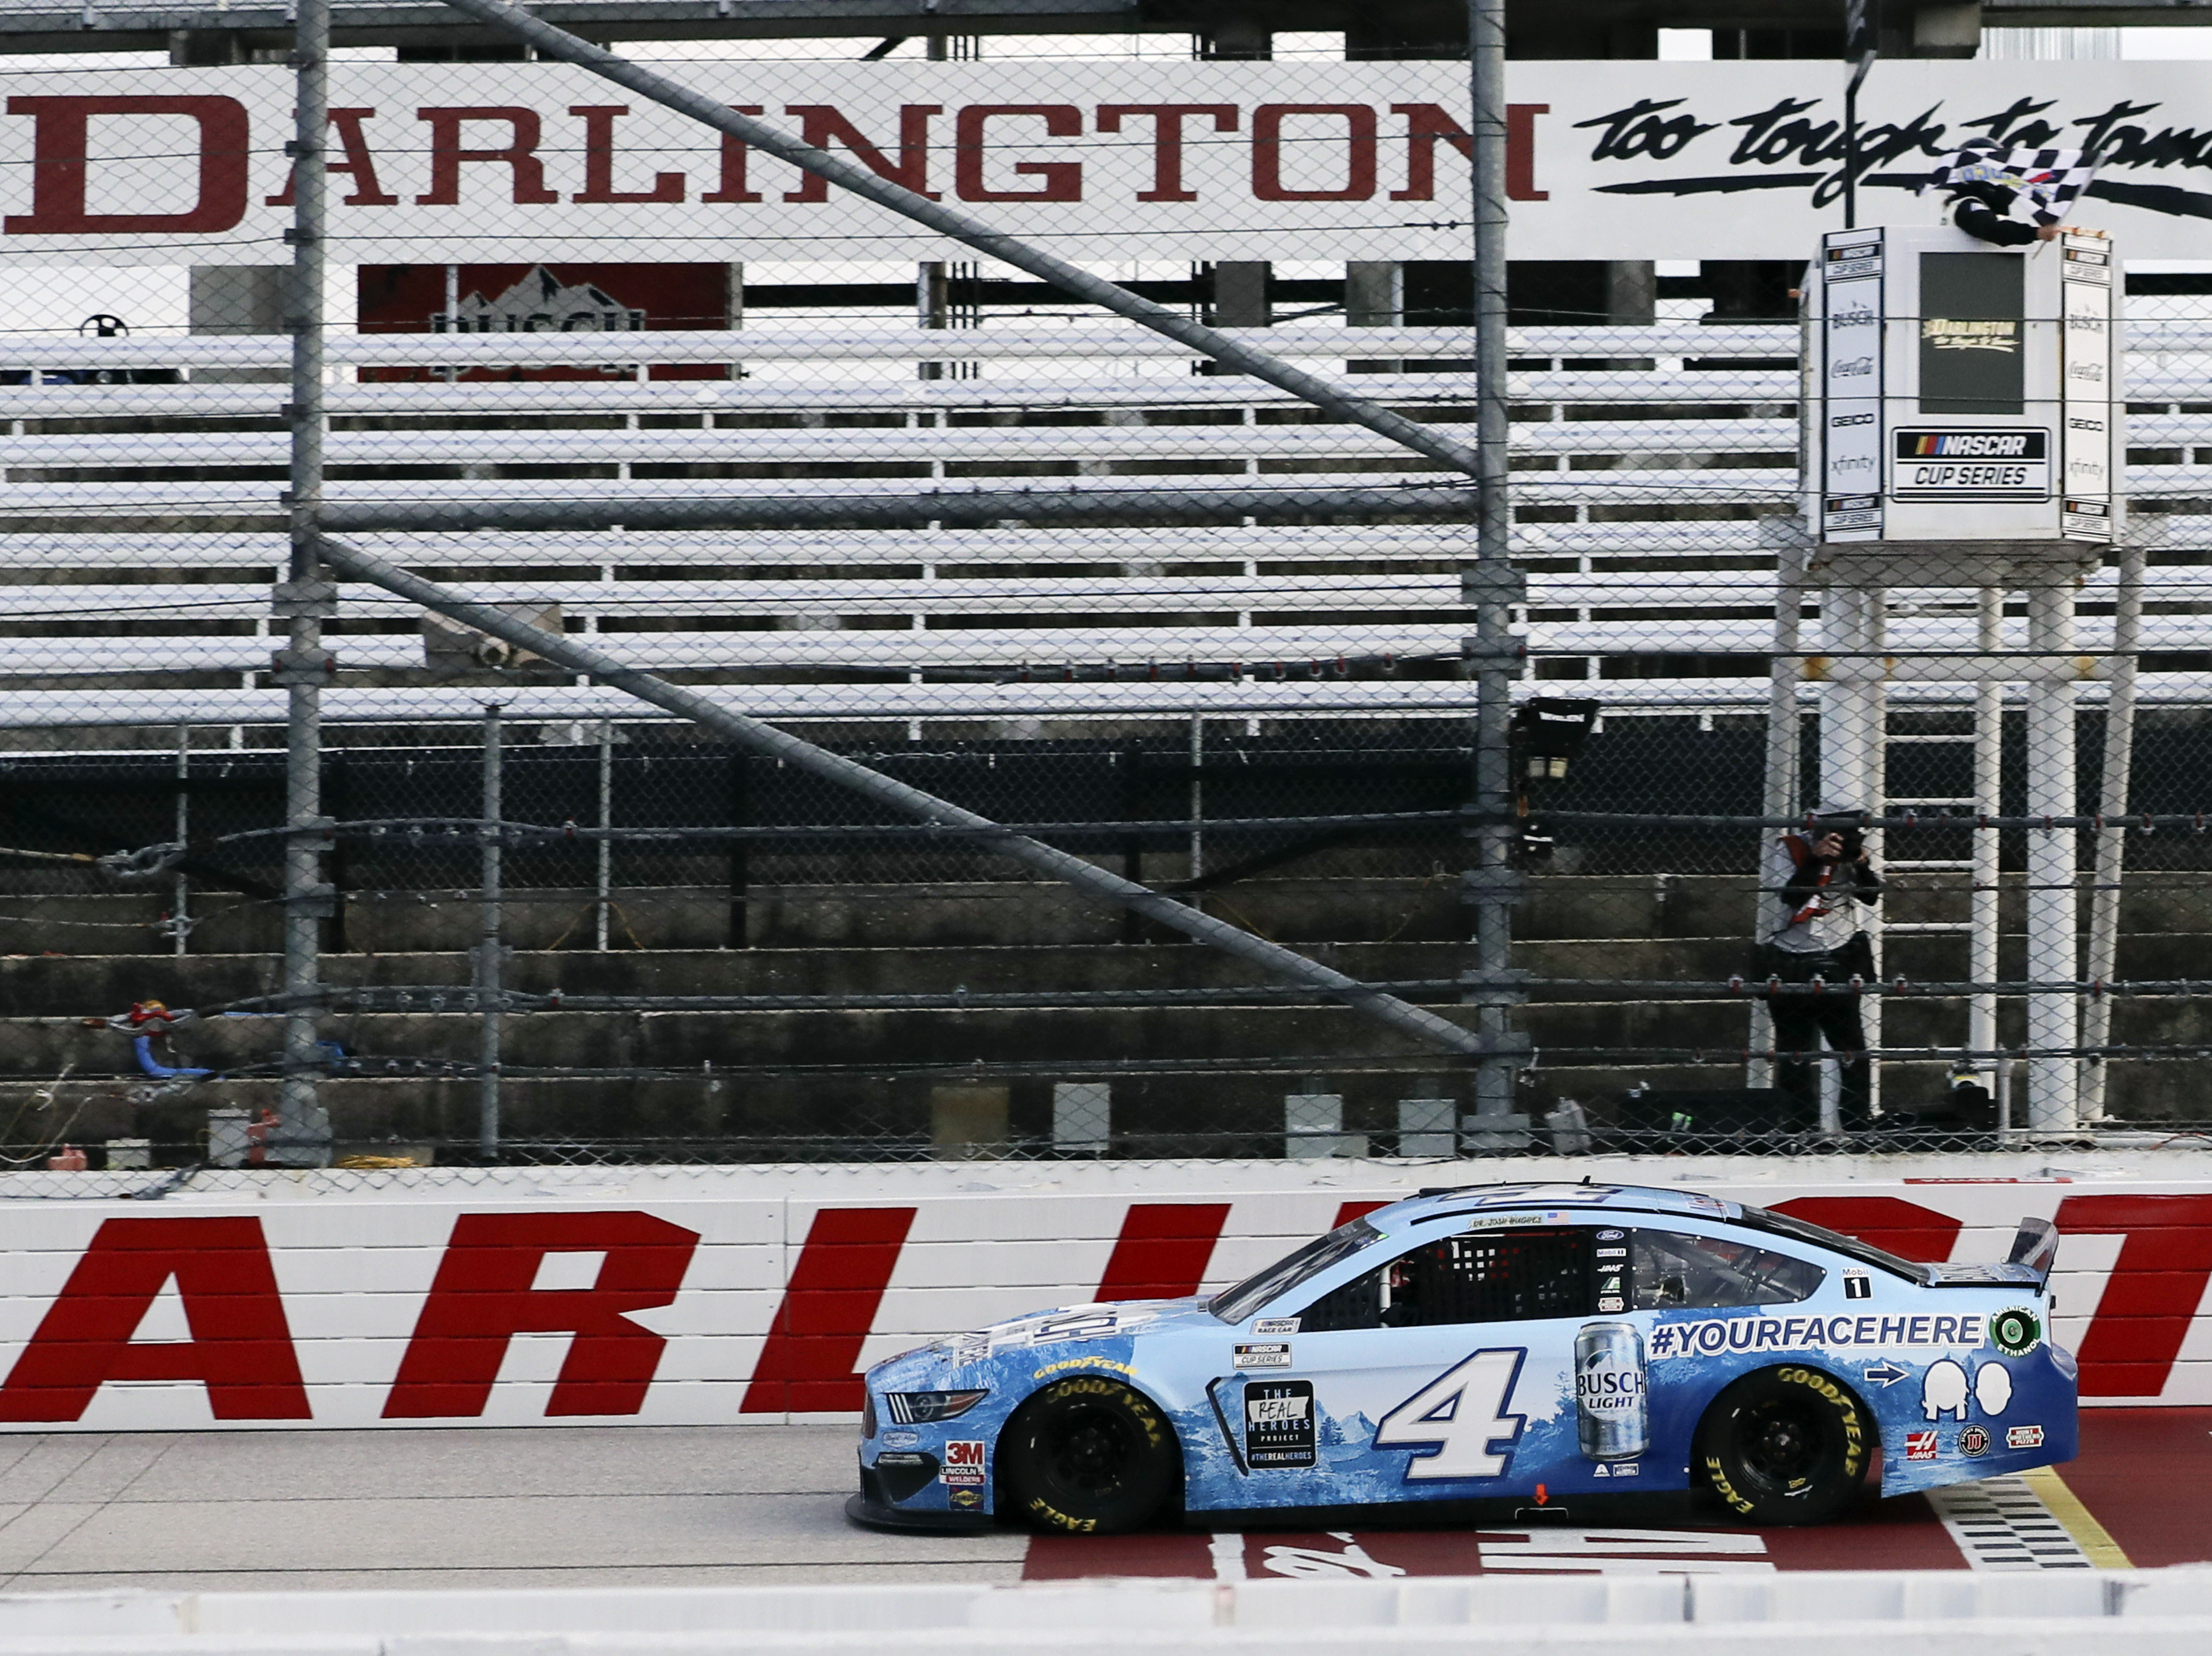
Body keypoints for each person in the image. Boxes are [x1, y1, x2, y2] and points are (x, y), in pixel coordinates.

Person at [1759, 801, 1882, 1130]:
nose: (1843, 839)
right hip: (1791, 953)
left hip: (1838, 952)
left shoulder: (1852, 854)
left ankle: (1856, 1122)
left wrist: (1861, 864)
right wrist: (1817, 859)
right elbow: (1792, 897)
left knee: (1852, 1046)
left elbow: (1871, 897)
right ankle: (1800, 1124)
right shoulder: (1790, 849)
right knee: (1795, 1049)